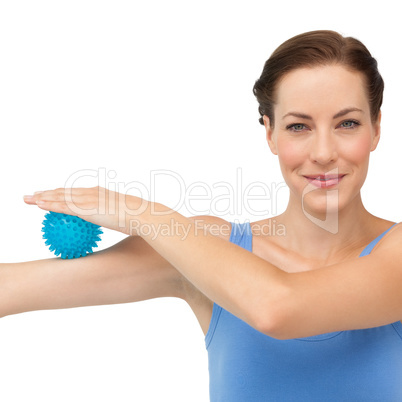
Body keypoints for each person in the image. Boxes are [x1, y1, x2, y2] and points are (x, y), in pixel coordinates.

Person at [6, 30, 402, 400]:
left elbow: (277, 307)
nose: (323, 152)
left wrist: (143, 213)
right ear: (270, 134)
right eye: (298, 126)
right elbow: (16, 286)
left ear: (376, 127)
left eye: (347, 123)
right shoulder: (210, 251)